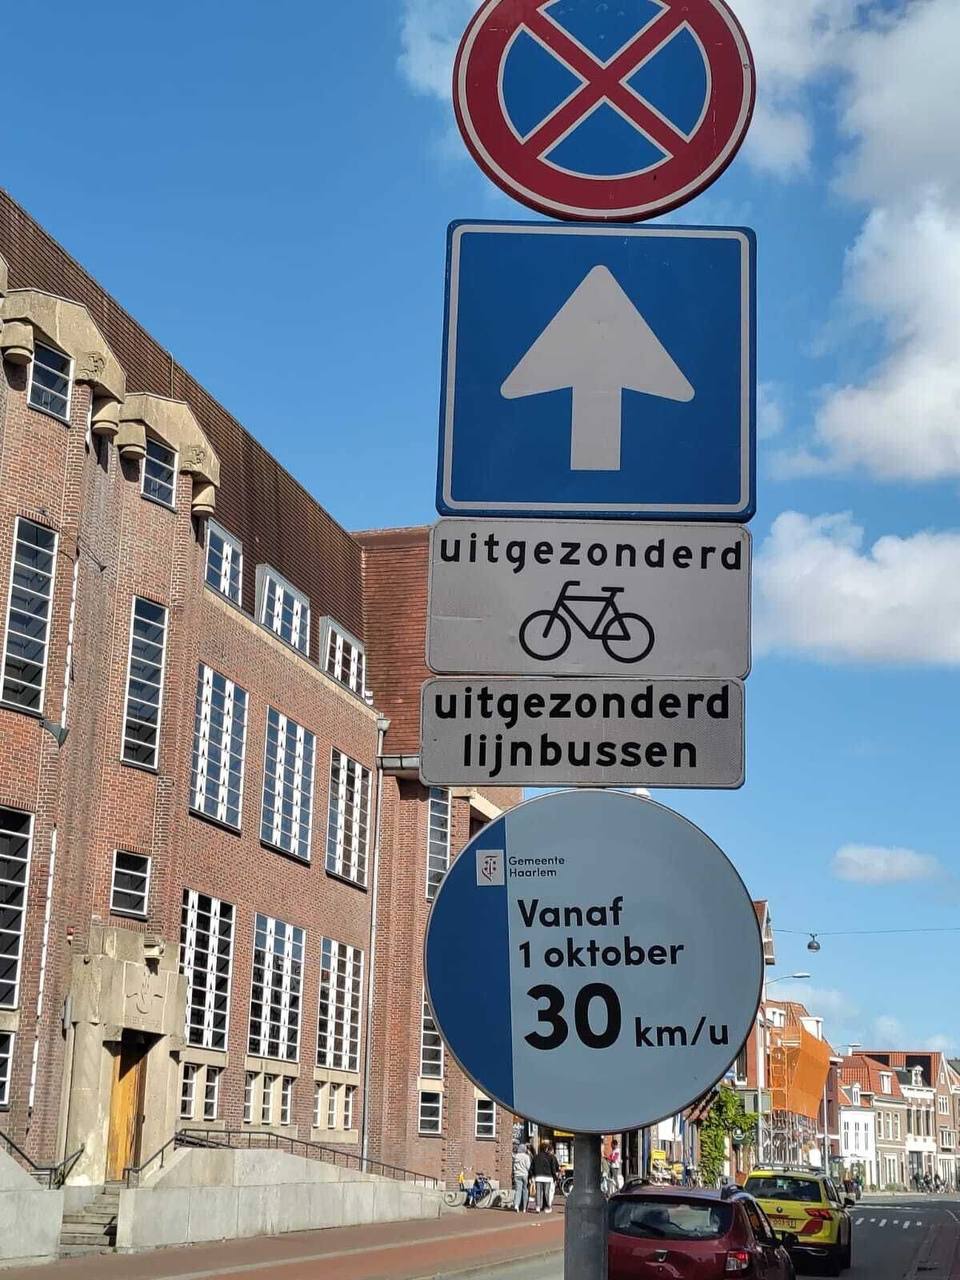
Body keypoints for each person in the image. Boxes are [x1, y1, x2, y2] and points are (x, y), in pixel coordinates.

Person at [531, 1141, 559, 1213]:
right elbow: (553, 1168)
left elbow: (532, 1168)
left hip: (538, 1177)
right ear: (546, 1149)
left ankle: (538, 1206)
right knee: (547, 1193)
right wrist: (555, 1177)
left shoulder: (536, 1157)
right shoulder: (550, 1157)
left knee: (538, 1192)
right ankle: (547, 1207)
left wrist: (532, 1176)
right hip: (548, 1177)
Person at [512, 1143, 532, 1213]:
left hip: (517, 1175)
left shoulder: (516, 1156)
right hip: (524, 1174)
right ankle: (524, 1208)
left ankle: (516, 1205)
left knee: (518, 1190)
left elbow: (514, 1167)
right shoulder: (526, 1157)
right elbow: (528, 1167)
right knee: (525, 1190)